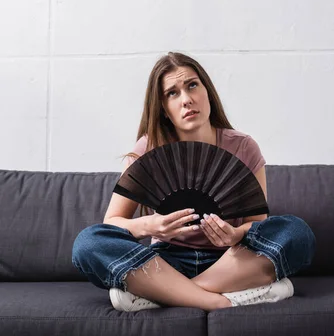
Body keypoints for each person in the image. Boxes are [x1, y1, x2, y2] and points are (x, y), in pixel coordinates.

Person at [72, 52, 316, 312]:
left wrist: (234, 234)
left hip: (231, 260)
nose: (186, 99)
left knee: (296, 232)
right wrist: (151, 226)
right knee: (88, 243)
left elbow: (257, 223)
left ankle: (163, 295)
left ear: (207, 91)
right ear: (164, 109)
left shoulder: (244, 146)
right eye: (172, 93)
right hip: (166, 260)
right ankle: (221, 300)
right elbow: (113, 223)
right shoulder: (147, 149)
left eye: (192, 85)